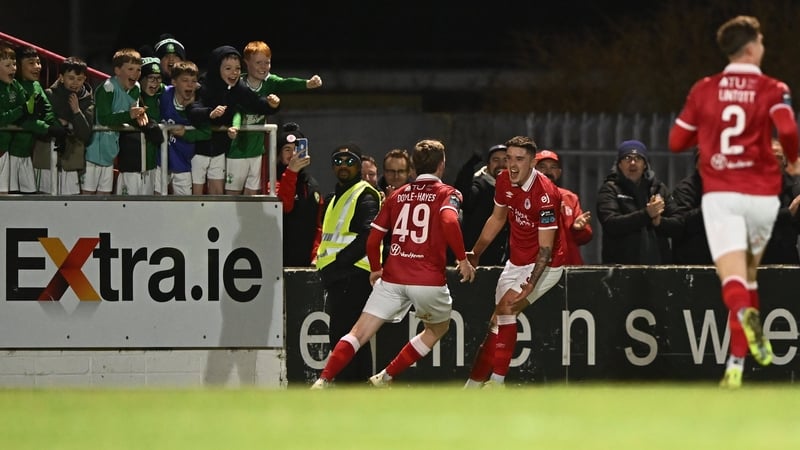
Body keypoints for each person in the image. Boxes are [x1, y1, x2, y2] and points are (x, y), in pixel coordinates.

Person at [669, 15, 800, 388]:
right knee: (750, 278)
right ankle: (737, 365)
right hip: (761, 194)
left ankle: (744, 335)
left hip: (723, 194)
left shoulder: (705, 89)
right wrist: (791, 160)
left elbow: (678, 141)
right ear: (749, 48)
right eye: (760, 41)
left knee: (733, 281)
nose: (763, 47)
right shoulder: (774, 87)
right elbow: (788, 130)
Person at [310, 138, 476, 389]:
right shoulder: (449, 193)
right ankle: (386, 376)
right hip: (428, 279)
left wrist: (376, 268)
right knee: (436, 328)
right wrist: (462, 259)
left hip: (393, 277)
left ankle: (323, 380)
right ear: (441, 165)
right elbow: (450, 221)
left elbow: (374, 236)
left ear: (413, 169)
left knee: (357, 333)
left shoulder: (397, 195)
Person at [464, 135, 566, 388]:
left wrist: (531, 283)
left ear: (532, 162)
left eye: (519, 159)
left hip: (546, 265)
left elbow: (546, 249)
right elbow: (497, 219)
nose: (512, 165)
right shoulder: (503, 180)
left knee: (507, 308)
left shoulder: (545, 194)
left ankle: (497, 384)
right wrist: (475, 253)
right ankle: (473, 385)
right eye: (509, 158)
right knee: (494, 325)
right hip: (517, 262)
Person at [314, 144, 382, 383]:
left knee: (348, 339)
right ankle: (356, 390)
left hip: (353, 277)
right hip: (339, 278)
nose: (343, 166)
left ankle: (351, 389)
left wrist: (339, 263)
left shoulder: (364, 194)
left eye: (350, 161)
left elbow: (369, 235)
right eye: (338, 161)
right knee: (351, 340)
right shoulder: (335, 197)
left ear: (359, 167)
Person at [228, 41, 322, 196]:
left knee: (251, 195)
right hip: (236, 147)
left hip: (257, 150)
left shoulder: (270, 81)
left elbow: (286, 83)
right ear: (246, 63)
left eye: (267, 62)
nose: (264, 67)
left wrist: (307, 84)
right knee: (232, 194)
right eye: (258, 63)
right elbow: (235, 110)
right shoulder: (237, 83)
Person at [187, 45, 280, 195]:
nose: (234, 73)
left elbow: (256, 103)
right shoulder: (204, 85)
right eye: (228, 68)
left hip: (219, 151)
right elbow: (192, 111)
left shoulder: (238, 87)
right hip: (198, 150)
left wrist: (273, 105)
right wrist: (210, 114)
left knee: (217, 196)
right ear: (217, 68)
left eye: (237, 68)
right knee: (195, 196)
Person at [596, 139, 679, 264]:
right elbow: (611, 223)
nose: (633, 163)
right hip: (621, 268)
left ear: (645, 164)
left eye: (638, 158)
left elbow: (679, 224)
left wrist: (659, 222)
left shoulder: (659, 188)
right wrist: (647, 214)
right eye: (627, 158)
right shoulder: (610, 189)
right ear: (619, 164)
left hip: (659, 267)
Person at [82, 48, 151, 195]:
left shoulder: (136, 88)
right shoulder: (107, 88)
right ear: (117, 70)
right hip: (94, 151)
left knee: (105, 195)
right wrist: (130, 115)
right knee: (87, 196)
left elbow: (131, 113)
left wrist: (140, 118)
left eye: (138, 69)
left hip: (110, 152)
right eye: (131, 69)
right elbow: (105, 118)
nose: (136, 73)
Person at [37, 56, 95, 196]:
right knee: (43, 205)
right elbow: (39, 126)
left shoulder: (88, 101)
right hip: (46, 160)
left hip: (71, 162)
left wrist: (76, 112)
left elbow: (86, 135)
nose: (75, 82)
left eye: (79, 79)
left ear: (84, 79)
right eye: (71, 78)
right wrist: (57, 124)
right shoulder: (48, 95)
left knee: (70, 206)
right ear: (61, 77)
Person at [11, 46, 61, 194]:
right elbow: (22, 119)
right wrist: (48, 128)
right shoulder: (12, 87)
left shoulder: (36, 86)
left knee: (28, 197)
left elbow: (48, 110)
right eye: (31, 63)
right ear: (18, 65)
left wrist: (58, 129)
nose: (37, 67)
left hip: (25, 153)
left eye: (38, 62)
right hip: (9, 153)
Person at [273, 122, 324, 266]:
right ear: (279, 154)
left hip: (307, 262)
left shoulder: (312, 184)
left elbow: (318, 225)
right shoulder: (272, 181)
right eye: (287, 150)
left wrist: (316, 254)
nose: (293, 154)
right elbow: (284, 207)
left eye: (297, 149)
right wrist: (291, 172)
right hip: (278, 261)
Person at [158, 60, 211, 195]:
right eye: (185, 80)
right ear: (174, 82)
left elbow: (207, 133)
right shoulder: (164, 95)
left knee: (183, 207)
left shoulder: (200, 105)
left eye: (193, 81)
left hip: (183, 163)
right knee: (155, 202)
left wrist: (186, 134)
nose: (190, 85)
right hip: (160, 162)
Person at [453, 144, 509, 266]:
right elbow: (464, 198)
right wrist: (469, 166)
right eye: (496, 160)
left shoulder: (519, 190)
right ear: (488, 165)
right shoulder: (480, 186)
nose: (501, 164)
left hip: (506, 264)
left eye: (505, 160)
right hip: (478, 262)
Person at [535, 149, 593, 265]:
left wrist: (578, 229)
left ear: (559, 172)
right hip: (536, 266)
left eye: (553, 167)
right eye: (542, 167)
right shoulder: (523, 197)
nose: (548, 171)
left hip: (568, 265)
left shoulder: (569, 197)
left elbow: (585, 238)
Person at [116, 56, 163, 195]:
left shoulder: (162, 96)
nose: (155, 82)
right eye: (150, 78)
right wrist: (144, 123)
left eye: (158, 78)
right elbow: (120, 113)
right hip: (131, 165)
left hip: (152, 166)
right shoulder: (127, 94)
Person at [0, 45, 38, 195]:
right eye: (8, 65)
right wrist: (22, 110)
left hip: (5, 149)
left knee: (3, 194)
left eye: (14, 64)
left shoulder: (15, 85)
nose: (13, 69)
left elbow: (27, 108)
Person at [667, 154, 713, 264]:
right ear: (697, 164)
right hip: (691, 261)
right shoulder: (685, 188)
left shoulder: (725, 187)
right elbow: (681, 224)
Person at [761, 139, 800, 264]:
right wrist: (788, 212)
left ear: (784, 161)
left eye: (778, 157)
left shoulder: (794, 187)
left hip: (787, 257)